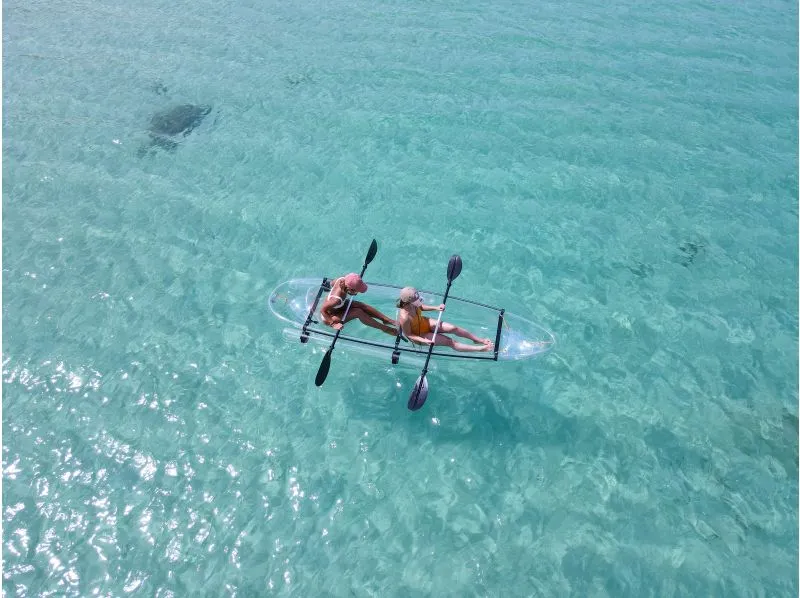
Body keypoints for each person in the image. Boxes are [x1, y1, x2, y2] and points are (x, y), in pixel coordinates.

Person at [396, 287, 493, 352]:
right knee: (449, 342)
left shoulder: (413, 302)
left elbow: (421, 307)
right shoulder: (404, 317)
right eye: (416, 301)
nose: (419, 301)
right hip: (419, 335)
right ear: (408, 302)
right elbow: (409, 335)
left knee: (453, 328)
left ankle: (478, 340)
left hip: (424, 322)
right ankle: (480, 349)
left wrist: (436, 307)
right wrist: (423, 340)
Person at [320, 273, 396, 335]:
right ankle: (384, 328)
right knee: (358, 312)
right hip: (329, 317)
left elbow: (332, 283)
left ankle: (386, 320)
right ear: (350, 289)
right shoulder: (336, 300)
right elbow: (323, 310)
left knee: (360, 305)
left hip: (338, 307)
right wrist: (333, 324)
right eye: (357, 291)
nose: (357, 293)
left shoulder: (341, 279)